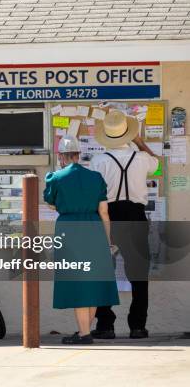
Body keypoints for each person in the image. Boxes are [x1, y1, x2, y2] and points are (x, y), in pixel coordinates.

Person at [44, 135, 120, 345]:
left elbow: (51, 203)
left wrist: (63, 205)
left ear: (61, 156)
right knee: (93, 281)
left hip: (69, 230)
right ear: (79, 155)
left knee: (77, 280)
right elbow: (104, 211)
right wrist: (107, 241)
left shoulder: (55, 178)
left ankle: (85, 334)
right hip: (95, 229)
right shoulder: (95, 178)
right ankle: (83, 330)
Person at [90, 109, 158, 339]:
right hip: (136, 216)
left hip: (107, 215)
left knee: (102, 271)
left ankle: (105, 324)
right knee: (139, 273)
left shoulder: (98, 161)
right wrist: (139, 141)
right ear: (127, 135)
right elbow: (156, 164)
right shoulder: (141, 158)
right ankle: (138, 326)